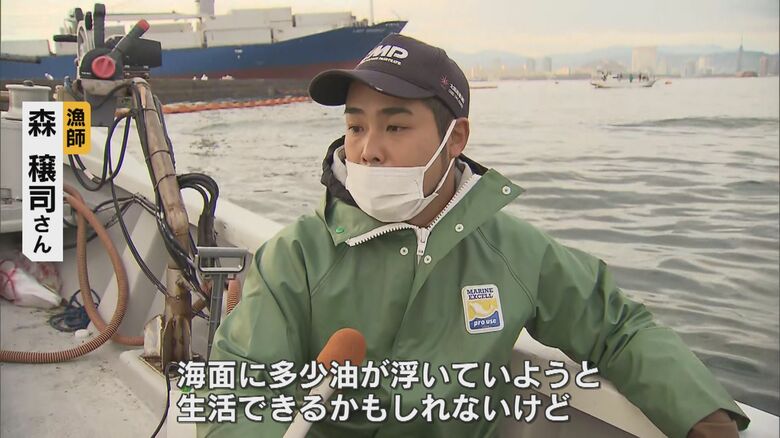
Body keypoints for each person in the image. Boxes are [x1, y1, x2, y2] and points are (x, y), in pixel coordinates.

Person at [198, 34, 749, 438]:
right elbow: (240, 389)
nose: (368, 150)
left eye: (395, 126)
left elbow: (616, 327)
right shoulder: (295, 256)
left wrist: (705, 416)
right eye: (355, 126)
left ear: (455, 138)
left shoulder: (512, 251)